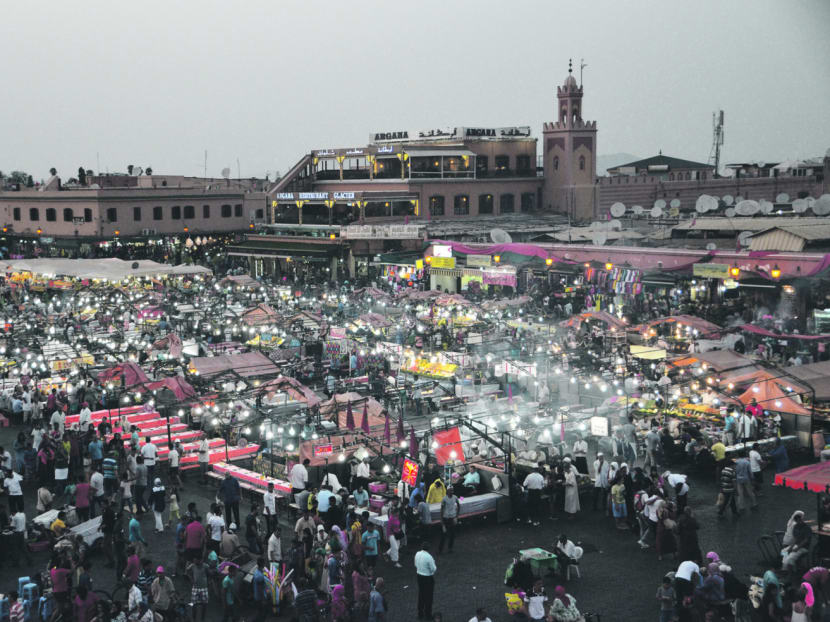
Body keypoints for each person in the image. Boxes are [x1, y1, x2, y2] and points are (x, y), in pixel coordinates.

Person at [415, 541, 437, 620]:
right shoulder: (429, 557)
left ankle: (420, 613)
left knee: (421, 595)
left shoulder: (417, 554)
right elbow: (433, 569)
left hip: (419, 576)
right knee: (429, 597)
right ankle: (428, 614)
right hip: (427, 578)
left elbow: (415, 564)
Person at [438, 486, 460, 552]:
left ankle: (450, 548)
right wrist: (442, 521)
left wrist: (456, 517)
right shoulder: (444, 499)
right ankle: (440, 550)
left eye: (453, 490)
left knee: (452, 534)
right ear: (447, 491)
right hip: (446, 518)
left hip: (452, 518)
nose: (452, 492)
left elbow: (459, 505)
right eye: (450, 491)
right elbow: (441, 510)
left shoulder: (455, 497)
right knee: (443, 535)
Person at [187, 556, 209, 622]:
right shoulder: (192, 566)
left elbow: (209, 573)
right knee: (194, 604)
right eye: (194, 560)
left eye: (196, 560)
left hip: (204, 588)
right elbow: (187, 571)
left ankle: (203, 619)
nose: (194, 561)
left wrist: (208, 582)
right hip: (195, 588)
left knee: (204, 604)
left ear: (200, 560)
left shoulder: (205, 566)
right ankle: (194, 619)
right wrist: (191, 579)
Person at [251, 557, 268, 622]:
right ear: (263, 564)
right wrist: (263, 599)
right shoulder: (259, 576)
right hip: (260, 598)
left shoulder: (257, 572)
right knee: (262, 614)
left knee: (260, 613)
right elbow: (260, 589)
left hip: (257, 596)